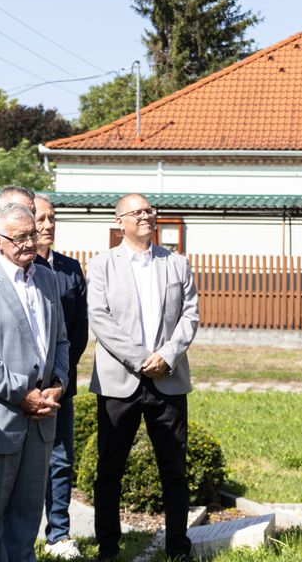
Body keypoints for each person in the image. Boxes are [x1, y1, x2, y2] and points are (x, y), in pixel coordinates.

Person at [88, 193, 198, 562]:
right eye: (137, 212)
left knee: (174, 470)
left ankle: (178, 548)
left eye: (149, 210)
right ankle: (107, 548)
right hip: (120, 382)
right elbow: (100, 319)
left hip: (168, 379)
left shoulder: (177, 263)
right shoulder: (102, 264)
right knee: (109, 470)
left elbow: (190, 316)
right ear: (119, 222)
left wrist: (166, 357)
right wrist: (139, 359)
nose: (146, 216)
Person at [0, 201, 68, 562]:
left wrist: (59, 384)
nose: (29, 243)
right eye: (20, 237)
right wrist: (24, 395)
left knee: (27, 514)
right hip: (1, 418)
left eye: (32, 235)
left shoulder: (48, 278)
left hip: (42, 418)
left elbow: (61, 340)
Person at [33, 195, 90, 559]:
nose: (47, 225)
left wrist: (60, 378)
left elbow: (79, 329)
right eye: (40, 218)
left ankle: (59, 534)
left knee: (60, 460)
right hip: (19, 389)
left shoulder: (70, 268)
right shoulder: (7, 266)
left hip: (60, 385)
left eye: (52, 218)